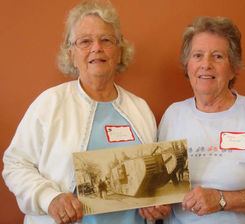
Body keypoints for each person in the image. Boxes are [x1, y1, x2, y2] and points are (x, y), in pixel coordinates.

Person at [2, 1, 171, 223]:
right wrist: (49, 198)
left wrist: (158, 201)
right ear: (72, 55)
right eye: (85, 41)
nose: (96, 48)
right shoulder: (50, 104)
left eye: (106, 40)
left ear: (119, 52)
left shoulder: (139, 108)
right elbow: (15, 164)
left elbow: (154, 177)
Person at [158, 16, 245, 224]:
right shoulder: (173, 115)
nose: (206, 65)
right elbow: (160, 190)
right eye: (198, 55)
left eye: (217, 56)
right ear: (187, 65)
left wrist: (222, 199)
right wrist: (157, 206)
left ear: (234, 68)